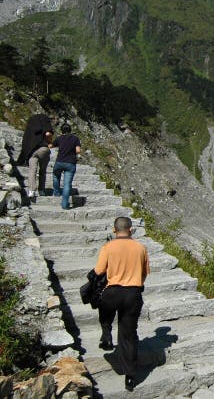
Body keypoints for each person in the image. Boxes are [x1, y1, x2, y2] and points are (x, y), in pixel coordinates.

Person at [94, 216, 150, 392]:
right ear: (131, 230)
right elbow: (145, 273)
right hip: (132, 293)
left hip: (113, 291)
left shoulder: (108, 247)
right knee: (129, 335)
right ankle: (130, 378)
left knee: (105, 311)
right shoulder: (140, 248)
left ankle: (106, 333)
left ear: (114, 230)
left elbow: (98, 271)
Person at [17, 113, 53, 198]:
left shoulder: (30, 129)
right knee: (42, 171)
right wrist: (50, 142)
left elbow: (25, 143)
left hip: (32, 151)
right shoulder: (44, 122)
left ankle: (31, 191)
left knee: (32, 170)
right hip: (43, 149)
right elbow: (48, 134)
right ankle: (41, 190)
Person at [50, 124, 81, 210]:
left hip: (59, 161)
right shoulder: (75, 138)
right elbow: (78, 150)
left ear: (61, 131)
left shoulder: (59, 138)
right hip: (70, 163)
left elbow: (51, 146)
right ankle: (64, 204)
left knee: (56, 176)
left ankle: (56, 192)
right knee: (67, 184)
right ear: (70, 130)